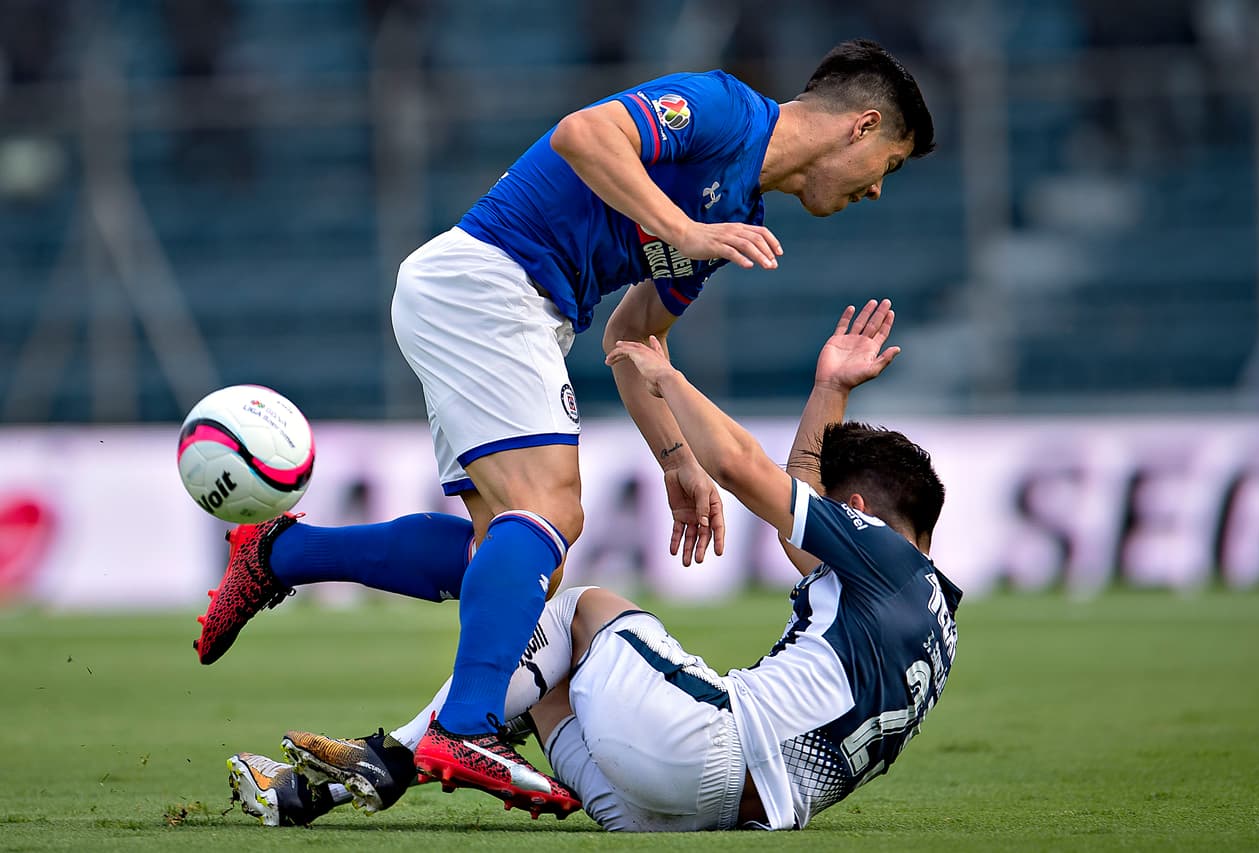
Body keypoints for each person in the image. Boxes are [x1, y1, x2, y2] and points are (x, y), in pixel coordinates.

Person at [195, 39, 936, 817]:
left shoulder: (738, 213)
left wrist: (675, 458)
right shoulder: (725, 109)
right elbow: (583, 135)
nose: (877, 189)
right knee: (553, 514)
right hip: (494, 282)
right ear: (862, 125)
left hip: (504, 302)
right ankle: (465, 726)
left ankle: (279, 553)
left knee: (511, 561)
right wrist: (681, 227)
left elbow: (634, 336)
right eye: (888, 164)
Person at [227, 300, 963, 832]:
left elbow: (746, 469)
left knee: (571, 607)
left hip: (700, 749)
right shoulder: (926, 614)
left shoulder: (883, 558)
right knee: (543, 675)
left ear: (859, 512)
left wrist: (665, 379)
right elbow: (797, 514)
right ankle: (316, 789)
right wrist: (831, 390)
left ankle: (396, 753)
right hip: (695, 813)